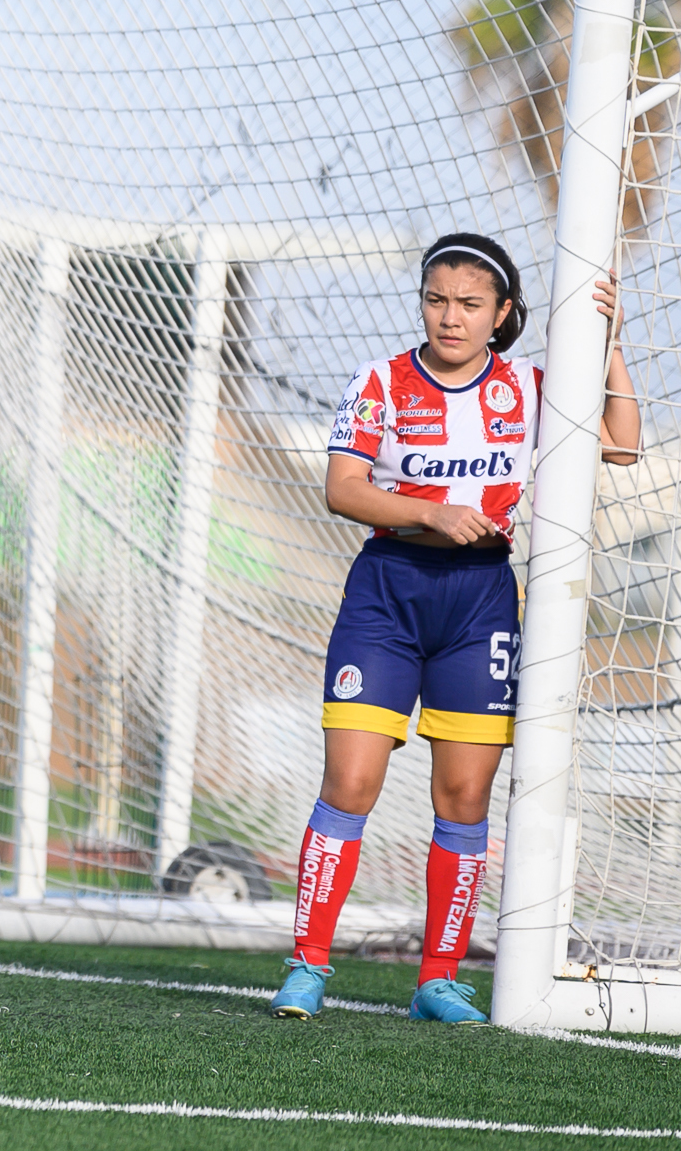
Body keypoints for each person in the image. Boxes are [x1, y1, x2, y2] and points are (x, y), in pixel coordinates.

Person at [271, 232, 639, 1024]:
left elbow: (624, 445)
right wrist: (429, 512)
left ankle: (437, 979)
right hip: (387, 595)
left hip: (479, 605)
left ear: (502, 313)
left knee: (465, 796)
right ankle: (306, 966)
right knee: (351, 783)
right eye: (437, 300)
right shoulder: (380, 381)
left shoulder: (530, 388)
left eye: (470, 304)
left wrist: (611, 347)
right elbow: (343, 487)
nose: (451, 317)